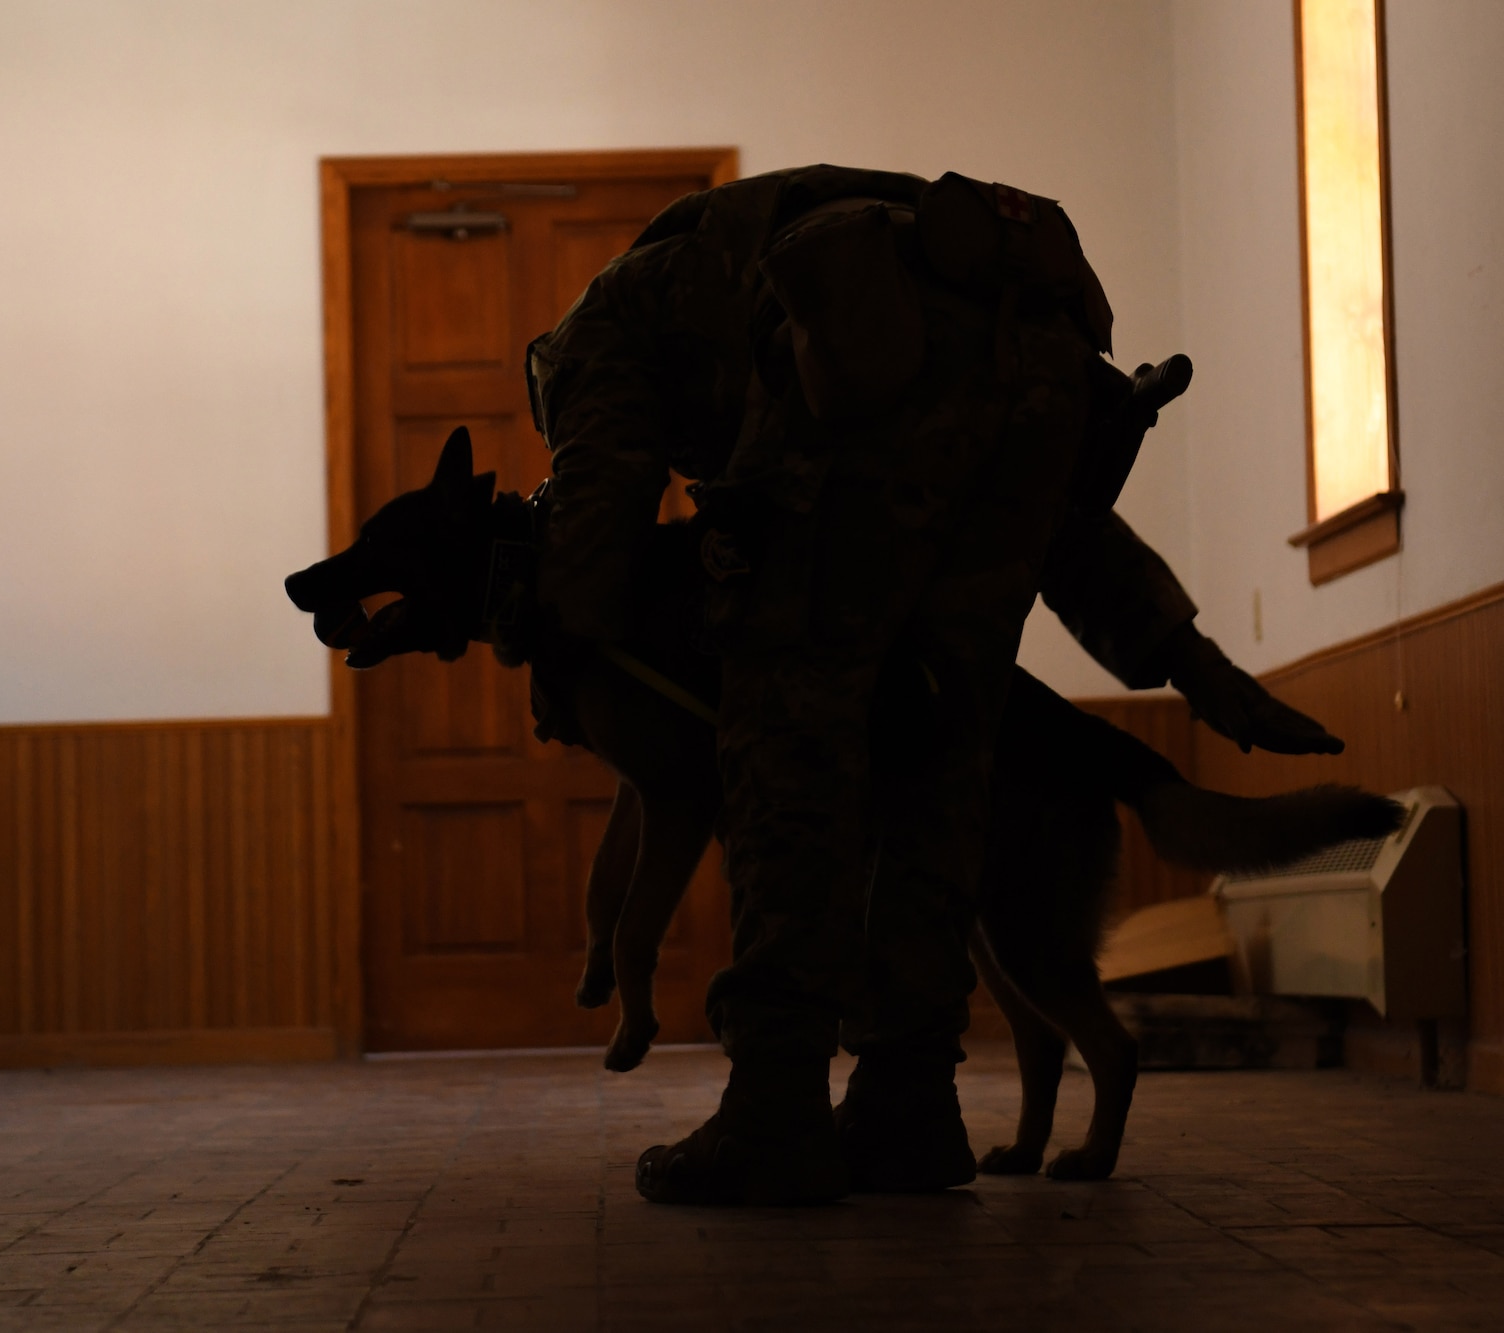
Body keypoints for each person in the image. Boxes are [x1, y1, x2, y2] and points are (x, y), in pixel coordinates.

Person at [525, 165, 1338, 1204]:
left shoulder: (595, 330)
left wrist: (565, 647)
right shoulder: (869, 249)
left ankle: (774, 1107)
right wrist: (1183, 653)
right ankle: (906, 1108)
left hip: (862, 428)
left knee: (788, 746)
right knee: (946, 749)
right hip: (1049, 373)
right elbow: (1049, 509)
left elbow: (601, 489)